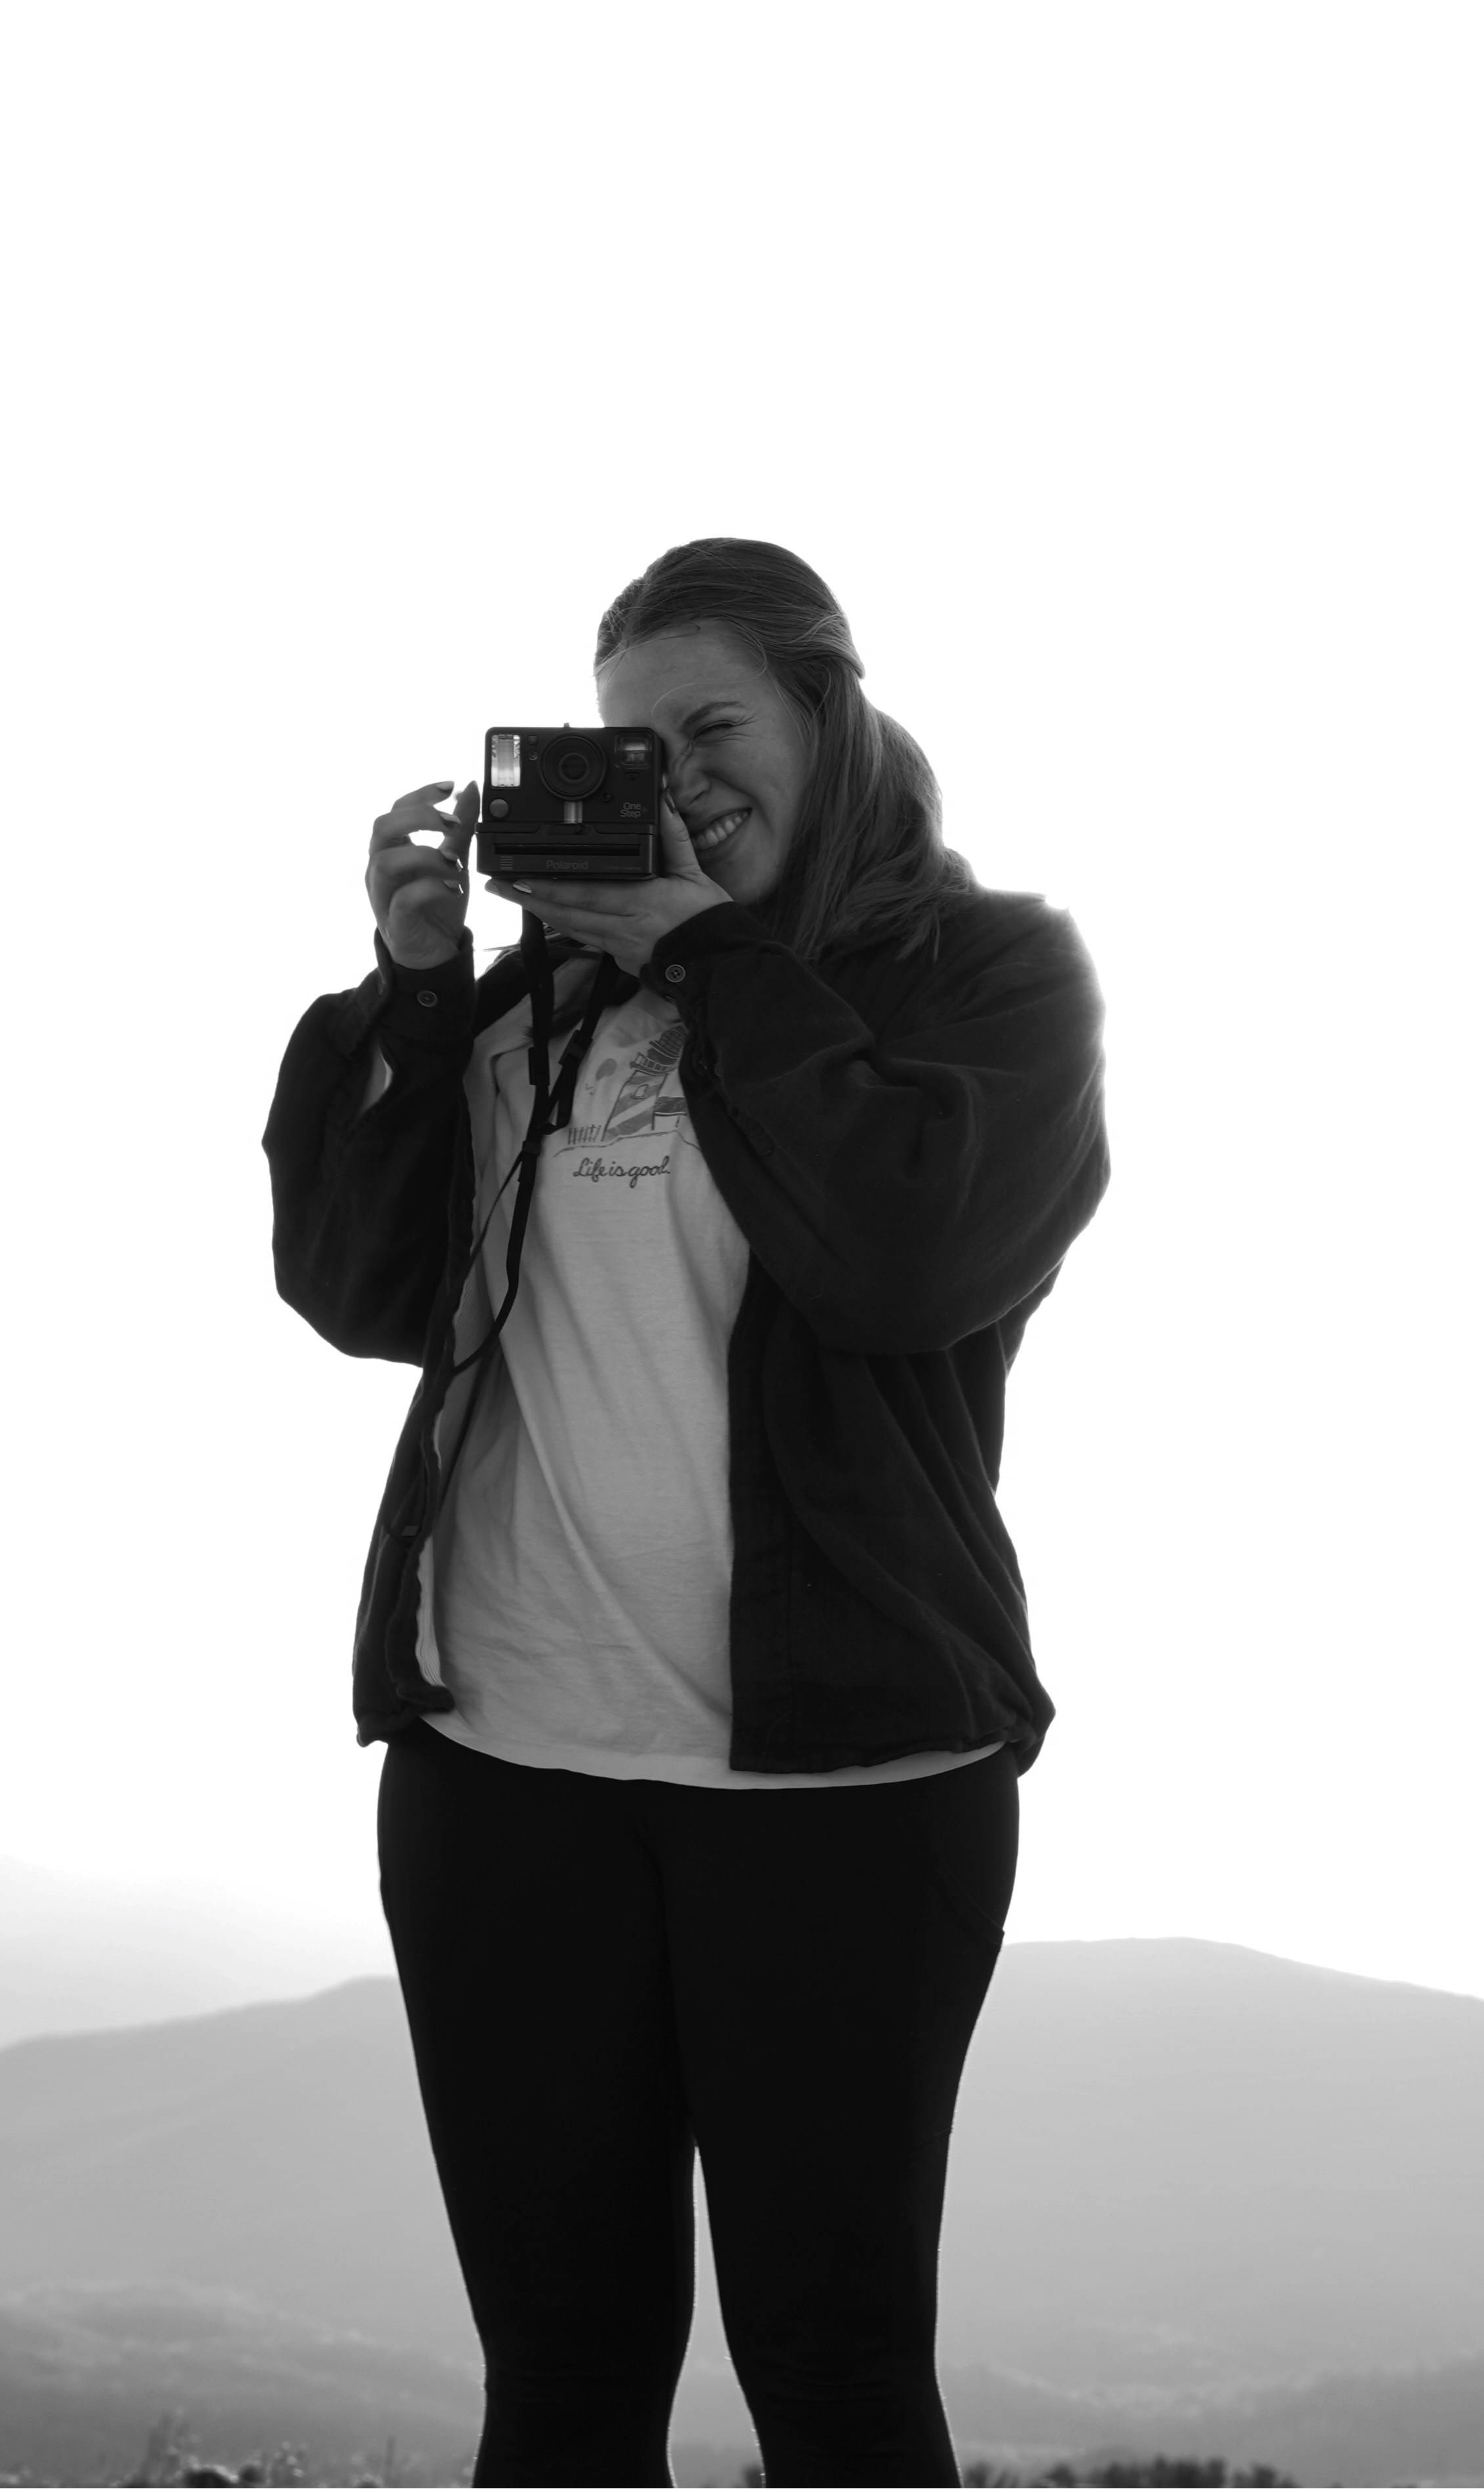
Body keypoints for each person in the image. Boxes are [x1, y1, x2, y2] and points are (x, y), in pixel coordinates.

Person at [261, 539, 1109, 2488]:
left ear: (829, 716)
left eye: (713, 724)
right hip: (505, 1774)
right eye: (632, 741)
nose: (678, 774)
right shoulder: (537, 1009)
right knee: (560, 2387)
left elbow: (902, 1252)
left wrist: (709, 956)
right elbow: (355, 1286)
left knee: (834, 2382)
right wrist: (415, 990)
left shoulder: (985, 980)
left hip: (848, 1788)